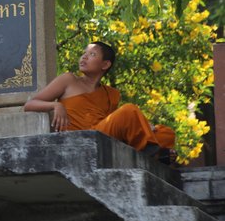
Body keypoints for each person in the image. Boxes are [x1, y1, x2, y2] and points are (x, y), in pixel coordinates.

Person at [24, 41, 175, 162]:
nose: (84, 57)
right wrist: (56, 105)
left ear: (105, 64)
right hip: (80, 139)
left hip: (101, 136)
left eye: (92, 54)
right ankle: (155, 154)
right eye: (84, 53)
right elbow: (29, 105)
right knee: (129, 110)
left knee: (166, 133)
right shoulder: (69, 80)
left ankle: (154, 151)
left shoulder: (111, 94)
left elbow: (111, 123)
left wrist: (147, 126)